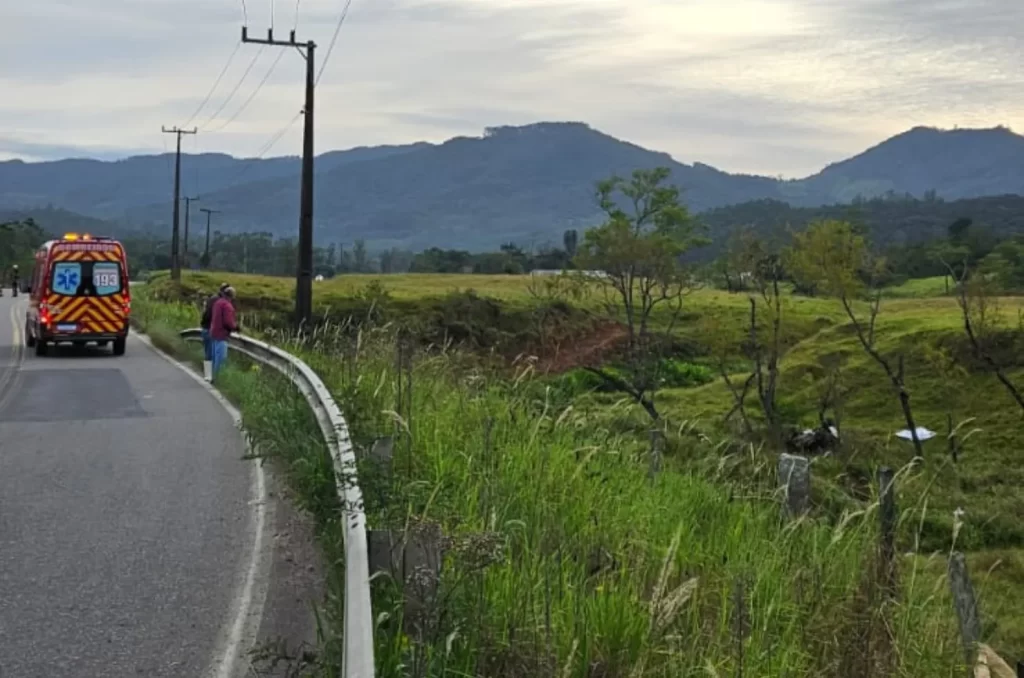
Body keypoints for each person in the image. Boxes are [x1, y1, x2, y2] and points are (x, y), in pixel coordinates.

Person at [209, 286, 239, 382]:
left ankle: (211, 375)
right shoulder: (227, 306)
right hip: (222, 334)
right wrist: (235, 327)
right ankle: (217, 378)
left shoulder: (217, 303)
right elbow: (228, 322)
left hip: (214, 332)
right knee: (221, 358)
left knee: (214, 356)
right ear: (232, 296)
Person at [200, 283, 229, 381]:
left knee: (208, 353)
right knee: (215, 354)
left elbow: (205, 314)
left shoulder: (212, 299)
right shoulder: (221, 302)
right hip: (213, 330)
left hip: (206, 328)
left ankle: (208, 375)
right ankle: (214, 377)